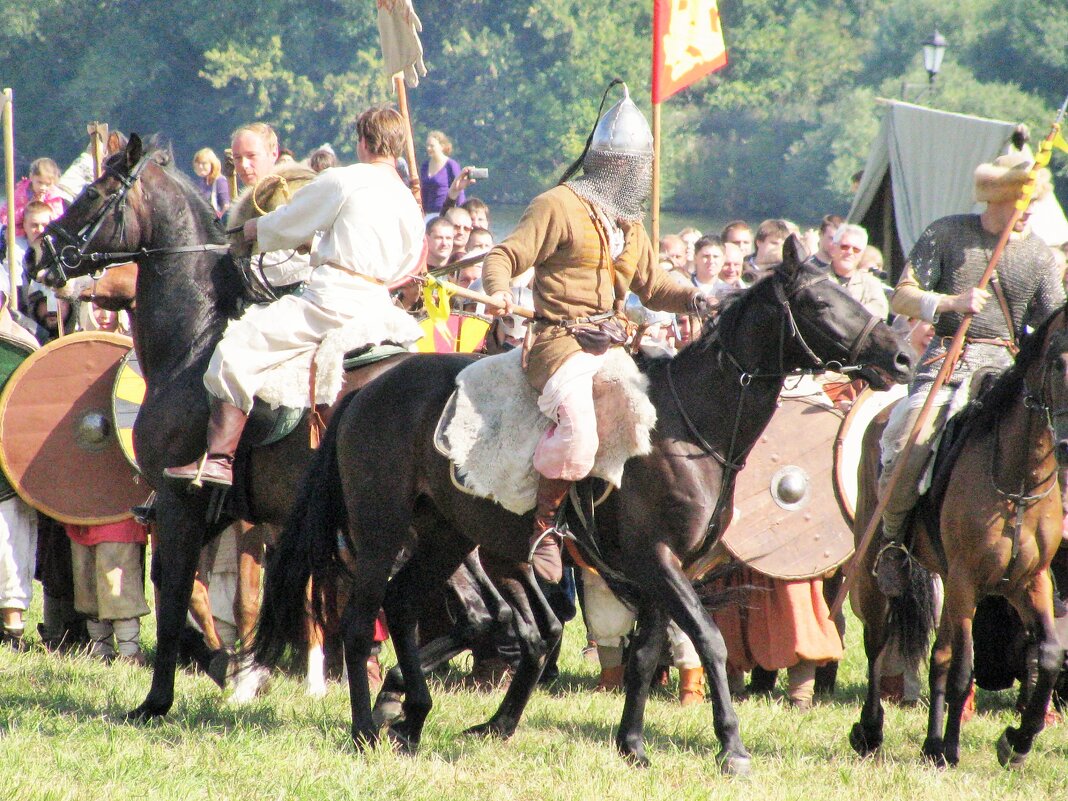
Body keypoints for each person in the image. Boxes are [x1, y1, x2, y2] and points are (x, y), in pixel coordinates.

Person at [481, 84, 711, 583]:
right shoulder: (557, 205)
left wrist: (694, 296)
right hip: (558, 343)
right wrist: (499, 289)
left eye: (638, 166)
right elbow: (504, 256)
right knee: (580, 435)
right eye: (628, 166)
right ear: (608, 163)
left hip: (610, 347)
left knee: (648, 420)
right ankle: (543, 525)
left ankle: (618, 526)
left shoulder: (630, 224)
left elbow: (654, 286)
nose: (634, 175)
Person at [165, 105, 425, 487]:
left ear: (364, 142)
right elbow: (405, 262)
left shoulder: (345, 179)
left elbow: (288, 221)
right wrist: (325, 242)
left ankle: (219, 458)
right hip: (379, 306)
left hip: (332, 302)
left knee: (238, 345)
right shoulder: (409, 202)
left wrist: (250, 230)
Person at [875, 153, 1066, 593]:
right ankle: (893, 542)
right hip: (948, 364)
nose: (1031, 214)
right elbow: (901, 297)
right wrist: (949, 303)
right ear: (998, 200)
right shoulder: (947, 233)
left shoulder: (1036, 255)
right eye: (1024, 204)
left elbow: (1053, 320)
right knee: (909, 440)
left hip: (1006, 373)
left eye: (1033, 204)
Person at [228, 122, 312, 294]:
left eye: (251, 156)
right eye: (238, 158)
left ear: (273, 153)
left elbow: (304, 256)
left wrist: (243, 269)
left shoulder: (294, 190)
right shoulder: (246, 200)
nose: (244, 165)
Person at [0, 305, 38, 650]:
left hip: (11, 468)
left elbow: (38, 406)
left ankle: (13, 625)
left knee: (10, 544)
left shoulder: (22, 345)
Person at [65, 518, 151, 663]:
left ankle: (129, 654)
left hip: (120, 518)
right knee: (89, 592)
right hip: (82, 517)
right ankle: (101, 652)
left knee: (121, 592)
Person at [827, 224, 889, 319]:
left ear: (862, 254)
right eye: (844, 247)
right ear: (834, 248)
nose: (850, 252)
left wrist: (849, 312)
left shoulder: (871, 284)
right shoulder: (818, 277)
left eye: (856, 249)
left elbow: (880, 311)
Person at [0, 157, 65, 238]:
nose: (43, 187)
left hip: (43, 237)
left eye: (47, 184)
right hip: (19, 235)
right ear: (31, 177)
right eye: (40, 182)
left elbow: (59, 220)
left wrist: (42, 207)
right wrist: (25, 210)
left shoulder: (54, 197)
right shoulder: (21, 192)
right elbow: (4, 216)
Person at [420, 130, 464, 214]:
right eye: (427, 145)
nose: (428, 148)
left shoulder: (451, 165)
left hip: (445, 212)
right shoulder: (425, 166)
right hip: (428, 213)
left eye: (432, 146)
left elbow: (459, 190)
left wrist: (461, 212)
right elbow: (423, 192)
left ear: (441, 146)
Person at [742, 219, 791, 284]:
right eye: (774, 243)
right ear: (759, 242)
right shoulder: (738, 266)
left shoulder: (786, 273)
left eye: (783, 245)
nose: (780, 248)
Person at [191, 148, 231, 219]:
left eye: (204, 163)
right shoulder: (199, 183)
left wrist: (218, 219)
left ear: (212, 165)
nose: (200, 166)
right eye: (198, 163)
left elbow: (226, 206)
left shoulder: (220, 181)